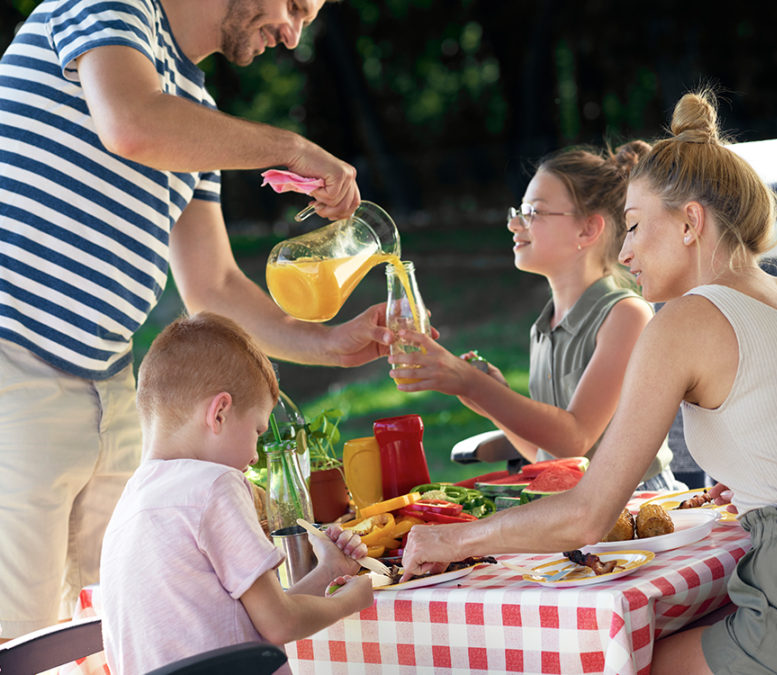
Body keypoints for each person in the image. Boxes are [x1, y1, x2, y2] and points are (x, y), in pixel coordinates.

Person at [401, 90, 777, 674]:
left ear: (690, 221)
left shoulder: (685, 320)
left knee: (604, 658)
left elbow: (587, 515)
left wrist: (452, 541)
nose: (626, 251)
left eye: (633, 227)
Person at [0, 0, 392, 640]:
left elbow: (212, 287)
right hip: (13, 366)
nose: (292, 33)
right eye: (293, 5)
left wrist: (331, 344)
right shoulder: (111, 7)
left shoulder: (198, 113)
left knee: (115, 629)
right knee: (16, 640)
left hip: (112, 391)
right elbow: (129, 124)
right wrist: (292, 148)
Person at [389, 143, 682, 490]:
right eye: (519, 210)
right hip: (572, 505)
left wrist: (472, 383)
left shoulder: (626, 316)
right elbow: (548, 455)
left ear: (587, 230)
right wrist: (492, 399)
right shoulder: (543, 329)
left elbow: (575, 437)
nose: (514, 223)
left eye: (533, 212)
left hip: (637, 506)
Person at [99, 312, 373, 674]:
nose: (255, 454)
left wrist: (329, 572)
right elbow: (279, 625)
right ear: (219, 414)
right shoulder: (213, 485)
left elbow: (251, 619)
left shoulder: (129, 505)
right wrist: (351, 601)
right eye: (257, 430)